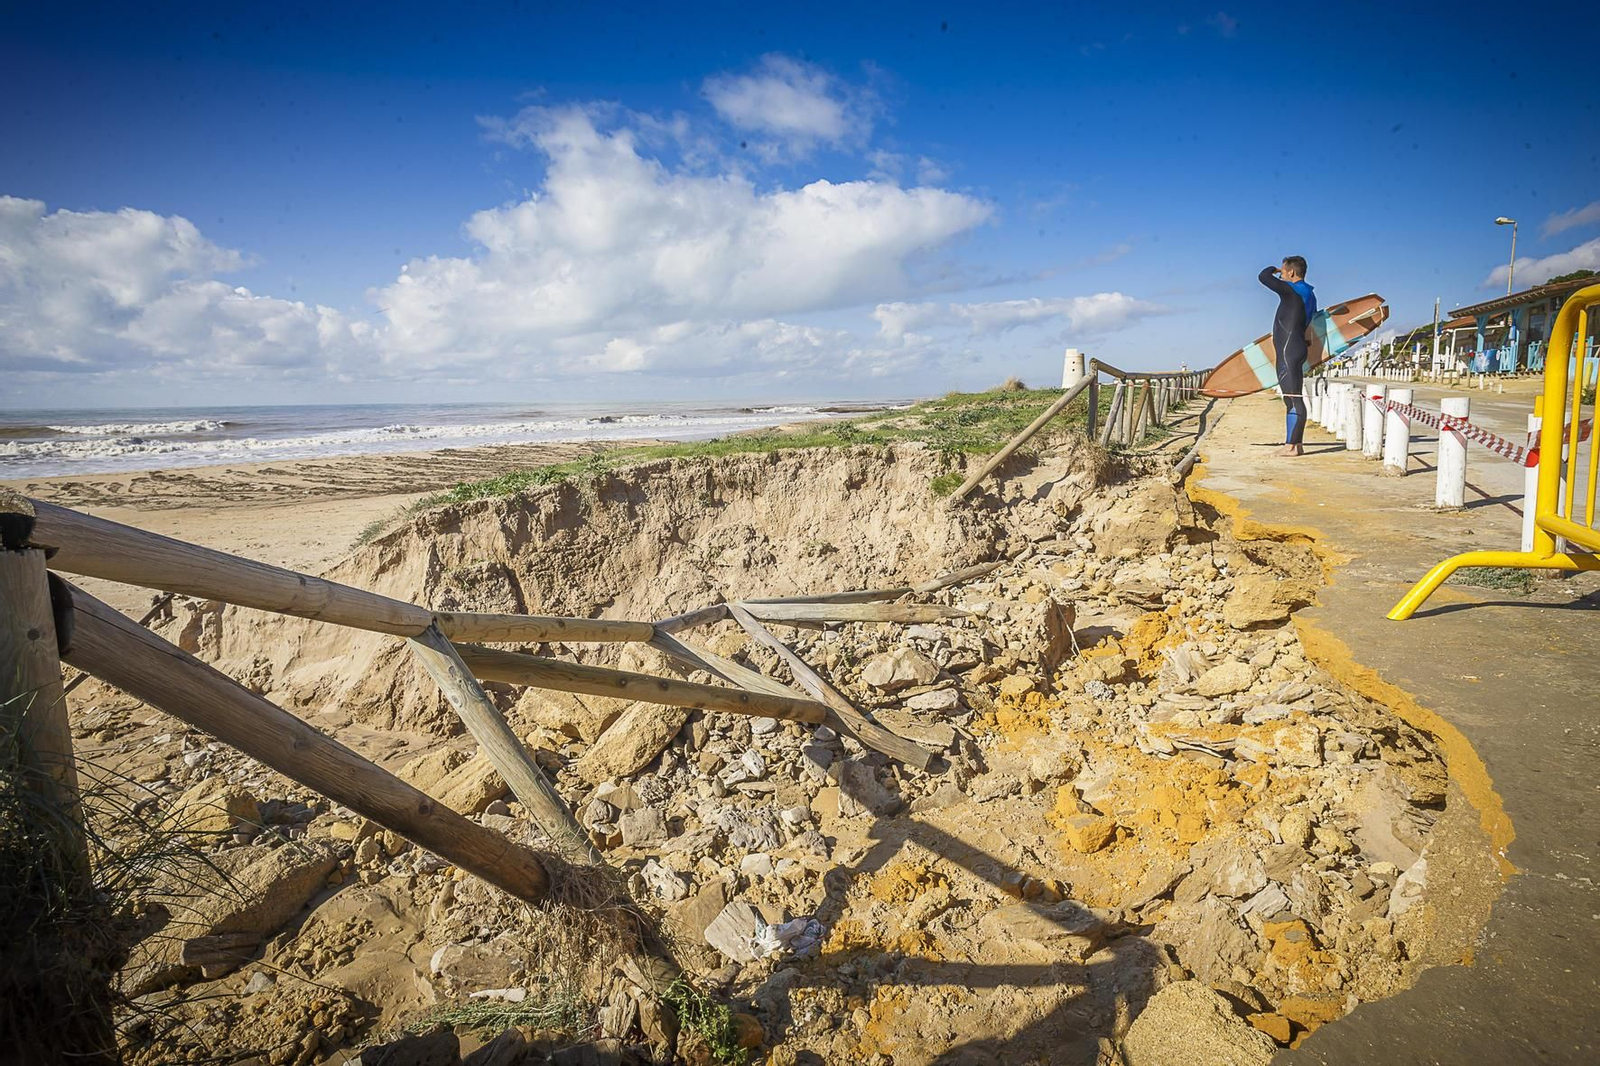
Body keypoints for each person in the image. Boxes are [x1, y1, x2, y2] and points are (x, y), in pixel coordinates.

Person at [1259, 256, 1317, 456]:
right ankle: (1296, 445)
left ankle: (1290, 447)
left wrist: (1273, 268)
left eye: (1284, 271)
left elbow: (1263, 277)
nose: (1281, 276)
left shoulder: (1292, 290)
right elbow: (1309, 323)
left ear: (1291, 272)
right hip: (1297, 347)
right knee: (1294, 398)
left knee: (1292, 399)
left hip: (1288, 350)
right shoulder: (1309, 294)